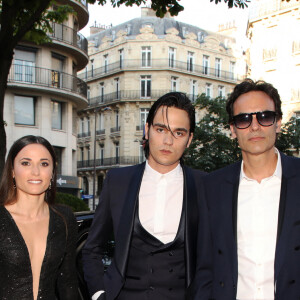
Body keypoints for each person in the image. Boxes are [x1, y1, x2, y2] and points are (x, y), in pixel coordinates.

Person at [82, 92, 206, 300]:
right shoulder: (118, 181)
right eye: (161, 129)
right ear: (147, 130)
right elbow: (92, 248)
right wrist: (99, 294)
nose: (168, 140)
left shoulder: (205, 185)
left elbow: (214, 259)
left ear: (189, 139)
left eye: (178, 133)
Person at [194, 78, 300, 300]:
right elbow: (204, 268)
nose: (254, 126)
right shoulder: (211, 188)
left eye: (265, 116)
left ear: (278, 122)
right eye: (243, 119)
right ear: (232, 130)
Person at [0, 135, 78, 300]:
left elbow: (68, 282)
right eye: (26, 163)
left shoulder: (64, 218)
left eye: (44, 164)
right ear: (12, 171)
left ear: (52, 172)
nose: (35, 172)